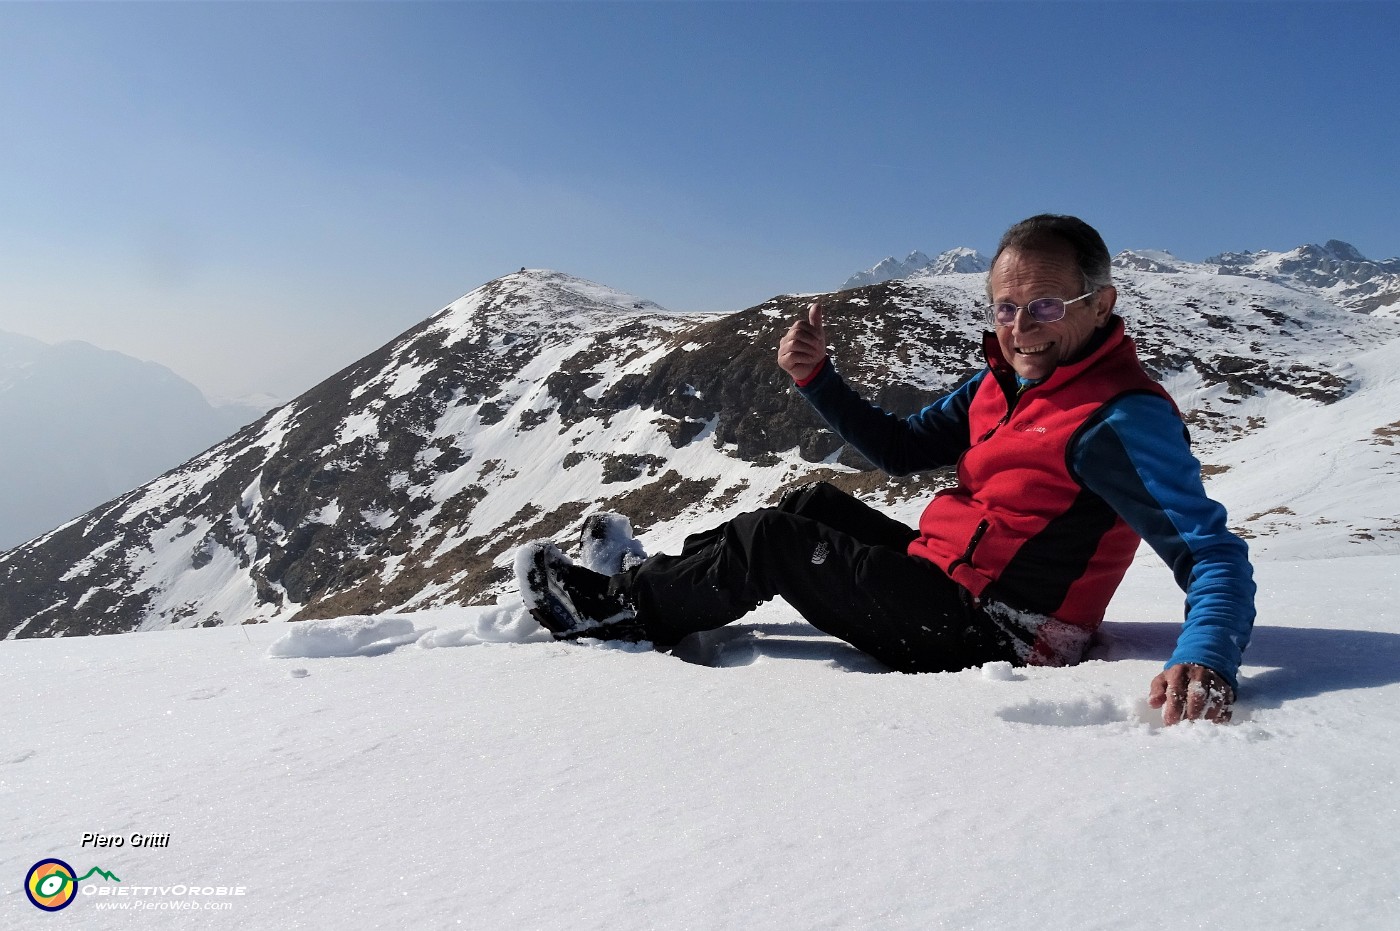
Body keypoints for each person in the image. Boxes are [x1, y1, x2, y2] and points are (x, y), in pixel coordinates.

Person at [516, 214, 1255, 726]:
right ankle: (653, 583)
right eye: (1005, 308)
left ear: (1100, 305)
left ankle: (616, 608)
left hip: (999, 628)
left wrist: (1206, 655)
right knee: (809, 502)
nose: (1021, 328)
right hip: (946, 576)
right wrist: (818, 380)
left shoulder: (1121, 418)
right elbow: (901, 449)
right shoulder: (1003, 381)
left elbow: (1211, 551)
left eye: (1046, 305)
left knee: (773, 538)